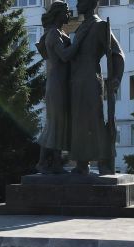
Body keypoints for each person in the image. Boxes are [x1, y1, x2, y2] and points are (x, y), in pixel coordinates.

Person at [69, 0, 125, 175]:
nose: (77, 4)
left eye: (80, 1)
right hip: (77, 80)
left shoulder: (99, 26)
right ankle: (81, 162)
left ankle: (104, 162)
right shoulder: (81, 27)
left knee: (95, 121)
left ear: (91, 3)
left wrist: (116, 78)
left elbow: (117, 53)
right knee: (78, 122)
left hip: (92, 78)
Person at [35, 1, 88, 174]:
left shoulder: (59, 32)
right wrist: (78, 40)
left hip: (62, 84)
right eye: (66, 11)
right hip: (56, 84)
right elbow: (65, 56)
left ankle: (56, 163)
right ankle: (42, 163)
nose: (69, 14)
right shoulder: (52, 34)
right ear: (58, 13)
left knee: (59, 125)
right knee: (54, 124)